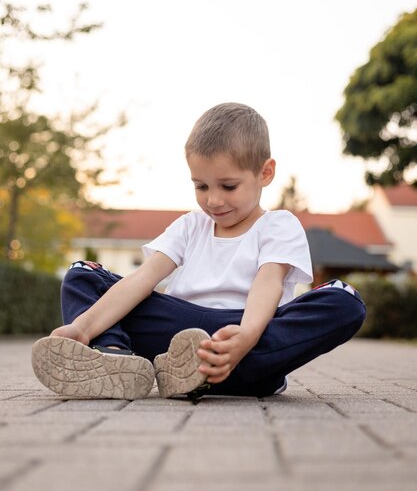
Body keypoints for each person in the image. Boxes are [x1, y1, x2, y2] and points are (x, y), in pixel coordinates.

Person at [32, 102, 366, 402]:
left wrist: (247, 336)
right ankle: (115, 356)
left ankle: (216, 369)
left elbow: (269, 282)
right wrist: (84, 327)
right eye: (201, 186)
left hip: (245, 330)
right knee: (82, 274)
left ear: (265, 173)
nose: (213, 200)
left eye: (228, 186)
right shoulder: (191, 226)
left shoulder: (278, 225)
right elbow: (144, 278)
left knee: (344, 299)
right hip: (176, 331)